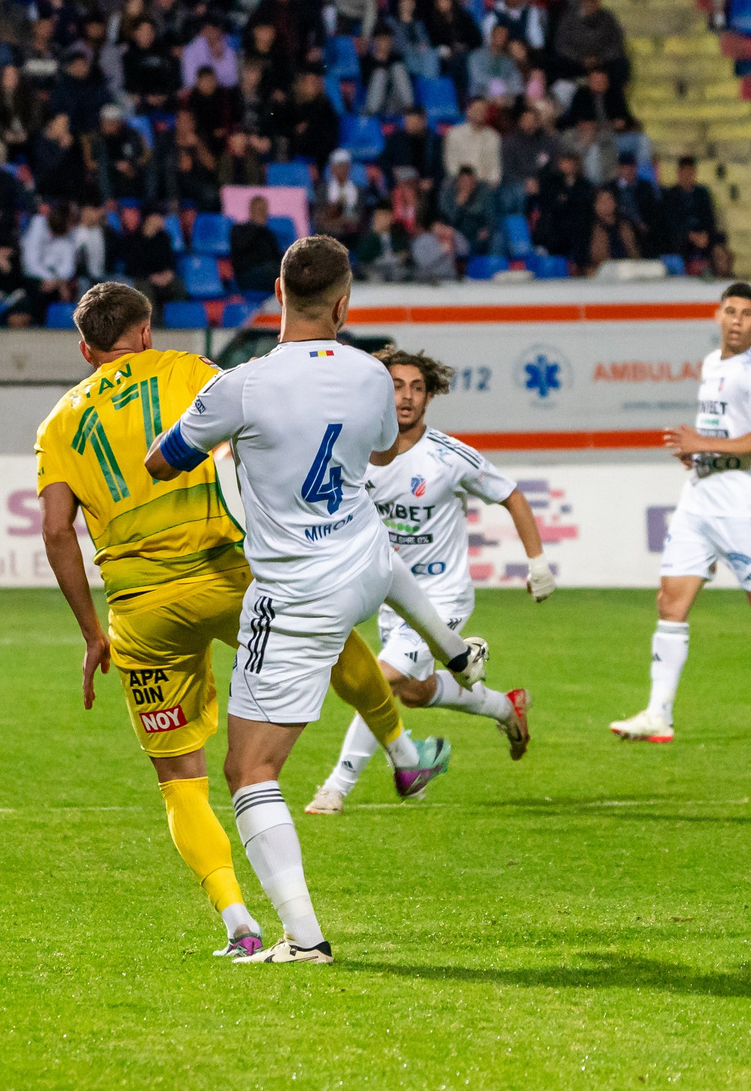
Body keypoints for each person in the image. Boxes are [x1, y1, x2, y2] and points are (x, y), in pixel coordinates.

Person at [34, 283, 432, 961]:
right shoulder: (189, 370)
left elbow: (55, 531)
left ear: (85, 348)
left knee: (179, 776)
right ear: (146, 330)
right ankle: (401, 748)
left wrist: (92, 632)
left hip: (139, 608)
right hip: (226, 572)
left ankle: (237, 920)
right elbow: (258, 429)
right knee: (327, 625)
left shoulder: (57, 425)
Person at [142, 238, 496, 964]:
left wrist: (236, 441)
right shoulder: (373, 375)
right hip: (362, 554)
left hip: (297, 591)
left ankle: (304, 939)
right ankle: (455, 651)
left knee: (249, 772)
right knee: (382, 554)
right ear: (344, 302)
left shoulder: (241, 385)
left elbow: (161, 460)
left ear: (278, 291)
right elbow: (367, 454)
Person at [307, 347, 544, 813]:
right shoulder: (356, 453)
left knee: (379, 679)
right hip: (392, 598)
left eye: (417, 388)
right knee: (412, 692)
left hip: (443, 596)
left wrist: (538, 564)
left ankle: (339, 786)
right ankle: (504, 707)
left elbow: (511, 495)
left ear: (429, 397)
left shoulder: (449, 456)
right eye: (396, 386)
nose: (407, 397)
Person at [610, 283, 751, 746]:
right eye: (730, 311)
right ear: (717, 315)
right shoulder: (712, 363)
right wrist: (699, 456)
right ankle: (659, 713)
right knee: (670, 602)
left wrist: (703, 444)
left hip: (740, 505)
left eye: (746, 314)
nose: (736, 320)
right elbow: (724, 429)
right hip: (700, 498)